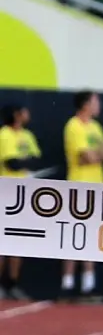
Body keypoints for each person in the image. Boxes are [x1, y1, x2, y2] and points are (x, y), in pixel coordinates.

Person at [62, 90, 103, 302]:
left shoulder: (95, 127)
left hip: (96, 187)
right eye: (95, 101)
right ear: (85, 104)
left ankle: (88, 285)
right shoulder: (74, 126)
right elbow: (85, 156)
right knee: (73, 234)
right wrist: (96, 155)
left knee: (92, 236)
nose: (98, 105)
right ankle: (67, 285)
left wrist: (96, 155)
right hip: (78, 186)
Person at [0, 103, 41, 299]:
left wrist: (24, 162)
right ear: (16, 114)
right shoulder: (4, 135)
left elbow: (36, 159)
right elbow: (11, 162)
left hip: (24, 194)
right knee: (2, 241)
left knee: (18, 240)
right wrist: (25, 162)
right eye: (24, 111)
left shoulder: (28, 135)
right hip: (5, 192)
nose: (28, 114)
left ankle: (13, 283)